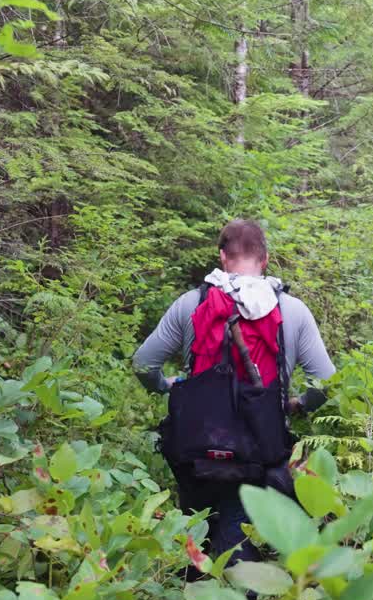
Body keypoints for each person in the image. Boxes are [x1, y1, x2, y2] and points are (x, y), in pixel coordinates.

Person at [133, 219, 334, 572]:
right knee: (238, 542)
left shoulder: (190, 304)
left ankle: (194, 589)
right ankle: (240, 594)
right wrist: (298, 405)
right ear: (265, 259)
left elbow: (143, 364)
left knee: (197, 538)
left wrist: (166, 385)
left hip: (196, 450)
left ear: (223, 257)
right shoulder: (292, 311)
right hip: (259, 451)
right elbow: (326, 382)